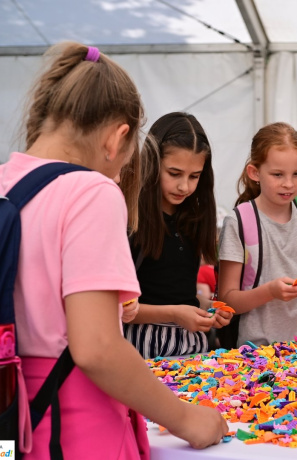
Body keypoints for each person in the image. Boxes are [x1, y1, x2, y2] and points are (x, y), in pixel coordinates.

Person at [1, 42, 228, 459]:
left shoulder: (5, 182)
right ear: (117, 137)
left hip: (12, 418)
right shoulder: (92, 191)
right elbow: (97, 347)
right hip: (71, 423)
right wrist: (187, 419)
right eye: (127, 161)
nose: (122, 175)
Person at [218, 122, 297, 347]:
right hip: (257, 351)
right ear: (255, 172)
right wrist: (269, 291)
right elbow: (227, 300)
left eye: (296, 174)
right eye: (277, 174)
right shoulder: (239, 221)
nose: (289, 184)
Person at [123, 112, 232, 359]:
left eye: (194, 176)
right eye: (174, 173)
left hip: (192, 349)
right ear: (152, 163)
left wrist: (209, 309)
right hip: (142, 350)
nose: (185, 186)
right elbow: (118, 308)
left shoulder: (193, 219)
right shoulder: (131, 219)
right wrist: (175, 314)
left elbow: (180, 294)